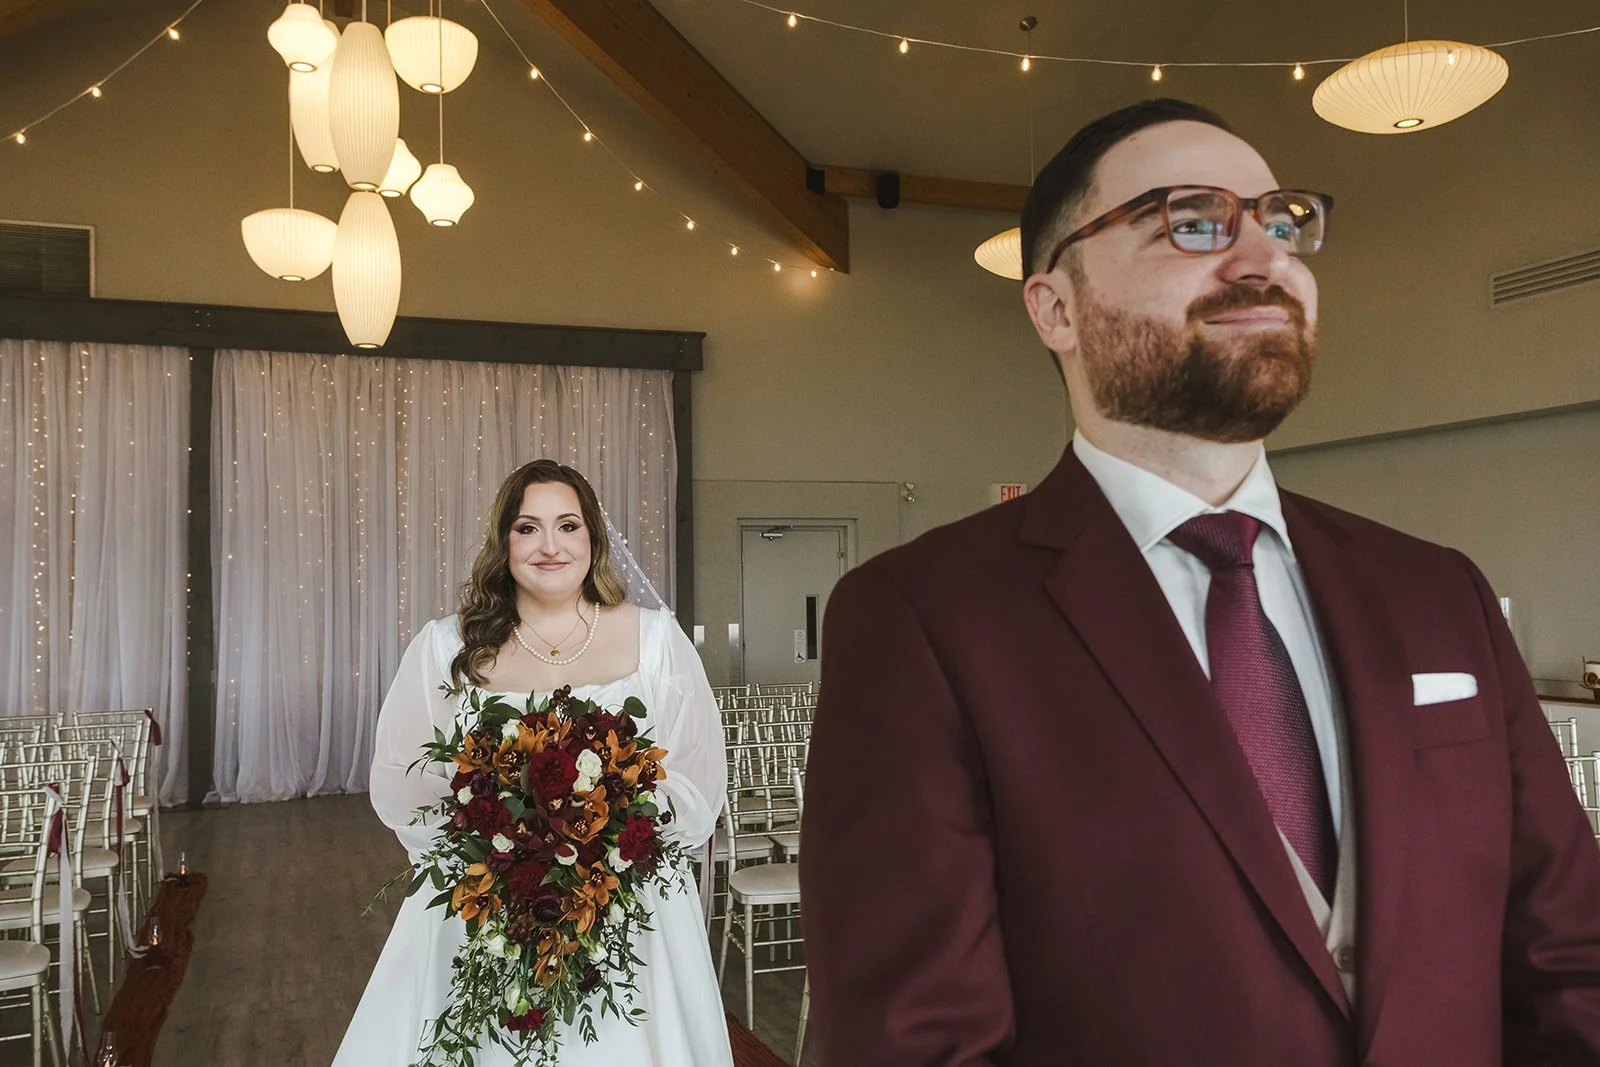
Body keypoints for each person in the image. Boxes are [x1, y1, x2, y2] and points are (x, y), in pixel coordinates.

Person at [798, 99, 1600, 1065]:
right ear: (1056, 306)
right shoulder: (923, 618)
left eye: (1283, 220)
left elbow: (1568, 958)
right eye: (1194, 221)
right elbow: (916, 1043)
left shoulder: (1438, 590)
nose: (1263, 256)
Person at [333, 460, 732, 1067]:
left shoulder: (656, 641)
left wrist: (608, 836)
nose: (550, 546)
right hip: (488, 902)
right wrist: (504, 845)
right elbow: (403, 779)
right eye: (528, 528)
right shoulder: (448, 647)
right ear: (504, 542)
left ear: (592, 538)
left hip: (627, 904)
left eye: (567, 525)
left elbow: (695, 778)